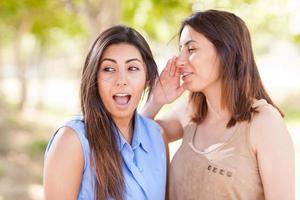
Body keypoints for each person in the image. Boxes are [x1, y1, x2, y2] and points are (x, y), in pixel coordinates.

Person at [143, 9, 294, 200]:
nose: (180, 61)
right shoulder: (189, 114)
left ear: (227, 52)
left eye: (191, 49)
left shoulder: (264, 123)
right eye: (180, 49)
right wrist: (155, 101)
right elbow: (139, 137)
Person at [43, 25, 167, 200]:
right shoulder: (72, 141)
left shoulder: (156, 136)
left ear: (147, 78)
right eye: (109, 69)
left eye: (132, 68)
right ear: (95, 77)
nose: (121, 80)